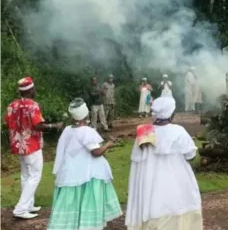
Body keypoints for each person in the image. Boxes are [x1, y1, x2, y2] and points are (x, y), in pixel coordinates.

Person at [125, 97, 202, 230]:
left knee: (153, 208)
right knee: (177, 207)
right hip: (175, 182)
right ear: (172, 114)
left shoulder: (144, 131)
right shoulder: (178, 131)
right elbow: (191, 155)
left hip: (149, 184)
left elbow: (137, 160)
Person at [47, 98, 122, 229]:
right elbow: (96, 152)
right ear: (85, 114)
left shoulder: (68, 130)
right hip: (87, 175)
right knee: (87, 201)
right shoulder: (86, 131)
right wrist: (109, 145)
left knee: (71, 203)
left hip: (69, 173)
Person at [4, 77, 64, 219]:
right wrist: (54, 126)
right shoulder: (32, 105)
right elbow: (38, 125)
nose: (35, 90)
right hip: (32, 146)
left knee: (25, 176)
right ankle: (20, 210)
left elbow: (8, 122)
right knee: (34, 176)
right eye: (34, 88)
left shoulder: (12, 105)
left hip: (19, 145)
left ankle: (28, 205)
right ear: (30, 90)